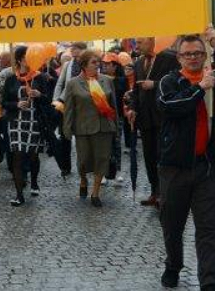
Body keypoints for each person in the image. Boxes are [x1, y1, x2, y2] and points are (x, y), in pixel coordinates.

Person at [157, 27, 215, 291]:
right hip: (174, 168)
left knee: (208, 228)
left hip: (205, 167)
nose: (193, 57)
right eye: (187, 54)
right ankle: (173, 265)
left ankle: (209, 286)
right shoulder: (169, 81)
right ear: (179, 58)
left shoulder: (213, 80)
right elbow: (173, 107)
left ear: (204, 55)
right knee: (172, 225)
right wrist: (199, 89)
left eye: (198, 52)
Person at [62, 49, 118, 207]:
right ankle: (83, 180)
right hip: (83, 128)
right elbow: (69, 109)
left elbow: (113, 106)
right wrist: (67, 129)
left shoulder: (107, 81)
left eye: (98, 62)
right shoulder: (73, 83)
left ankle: (95, 193)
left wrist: (116, 127)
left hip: (104, 127)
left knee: (102, 159)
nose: (97, 65)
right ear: (84, 65)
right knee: (83, 161)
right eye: (94, 62)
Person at [129, 36, 180, 206]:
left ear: (151, 41)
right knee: (149, 157)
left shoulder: (169, 58)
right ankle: (154, 191)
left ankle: (164, 193)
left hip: (162, 117)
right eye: (136, 42)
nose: (137, 45)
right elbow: (136, 90)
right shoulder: (138, 63)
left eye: (140, 42)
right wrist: (133, 108)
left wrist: (155, 84)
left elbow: (176, 82)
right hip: (144, 118)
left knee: (161, 156)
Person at [1, 45, 51, 206]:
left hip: (35, 122)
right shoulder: (11, 79)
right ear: (20, 60)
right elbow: (3, 102)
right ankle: (19, 195)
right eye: (26, 57)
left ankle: (34, 182)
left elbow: (49, 100)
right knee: (17, 155)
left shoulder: (40, 78)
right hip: (16, 122)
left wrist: (39, 95)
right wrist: (16, 104)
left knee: (33, 155)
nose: (29, 60)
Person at [53, 41, 88, 178]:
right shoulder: (67, 65)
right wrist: (55, 100)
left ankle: (85, 165)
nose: (71, 50)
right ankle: (65, 166)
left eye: (75, 48)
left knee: (82, 136)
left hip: (82, 105)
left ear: (83, 50)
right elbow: (60, 83)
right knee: (64, 136)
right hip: (65, 104)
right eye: (71, 48)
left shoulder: (88, 64)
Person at [101, 52, 128, 186]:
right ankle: (102, 172)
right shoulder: (99, 79)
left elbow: (126, 97)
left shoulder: (122, 80)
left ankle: (117, 171)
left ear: (115, 66)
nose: (105, 66)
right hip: (103, 116)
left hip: (117, 116)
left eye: (108, 64)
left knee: (116, 144)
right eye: (104, 64)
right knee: (103, 144)